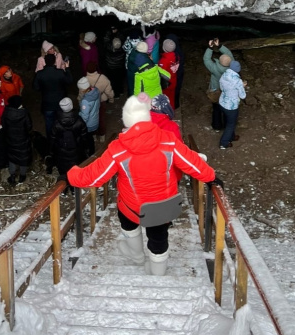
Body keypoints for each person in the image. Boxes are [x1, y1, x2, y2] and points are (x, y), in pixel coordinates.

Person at [65, 95, 217, 275]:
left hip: (132, 207)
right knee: (159, 237)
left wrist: (70, 175)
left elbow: (93, 176)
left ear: (127, 120)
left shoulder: (117, 148)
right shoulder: (168, 140)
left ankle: (137, 256)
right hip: (163, 206)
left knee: (128, 222)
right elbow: (193, 163)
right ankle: (158, 274)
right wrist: (211, 177)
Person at [33, 53, 73, 143]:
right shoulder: (60, 72)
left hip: (47, 103)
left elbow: (36, 88)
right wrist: (67, 68)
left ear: (45, 62)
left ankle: (51, 142)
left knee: (49, 124)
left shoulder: (40, 74)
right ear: (55, 61)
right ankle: (62, 140)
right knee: (61, 121)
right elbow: (70, 81)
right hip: (60, 103)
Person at [51, 97, 89, 180]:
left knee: (64, 169)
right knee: (76, 168)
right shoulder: (79, 121)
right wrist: (86, 148)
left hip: (62, 151)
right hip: (77, 150)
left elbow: (52, 138)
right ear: (71, 106)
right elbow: (85, 137)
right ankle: (74, 186)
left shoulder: (56, 123)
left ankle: (64, 185)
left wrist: (53, 151)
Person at [0, 95, 33, 186]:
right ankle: (22, 176)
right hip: (23, 139)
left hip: (10, 138)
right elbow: (29, 126)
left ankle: (12, 175)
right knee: (23, 156)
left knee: (12, 156)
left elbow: (3, 124)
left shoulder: (6, 112)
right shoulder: (24, 112)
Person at [204, 38, 234, 130]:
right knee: (226, 110)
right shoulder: (232, 66)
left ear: (219, 61)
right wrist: (220, 46)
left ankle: (217, 126)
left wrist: (210, 47)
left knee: (216, 109)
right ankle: (226, 126)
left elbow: (206, 59)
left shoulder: (214, 68)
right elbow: (229, 54)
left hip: (215, 91)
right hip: (227, 92)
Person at [219, 59, 247, 149]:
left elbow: (221, 87)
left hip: (222, 102)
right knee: (231, 124)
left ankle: (231, 136)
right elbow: (242, 96)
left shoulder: (224, 75)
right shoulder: (238, 81)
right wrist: (242, 86)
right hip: (231, 106)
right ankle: (223, 143)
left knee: (228, 121)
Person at [84, 61, 114, 136]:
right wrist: (111, 99)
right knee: (101, 118)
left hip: (89, 102)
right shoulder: (103, 78)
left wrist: (80, 101)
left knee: (91, 118)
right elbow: (109, 91)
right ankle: (102, 135)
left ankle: (93, 135)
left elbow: (81, 93)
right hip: (101, 101)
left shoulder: (84, 80)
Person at [77, 77, 101, 145]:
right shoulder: (96, 91)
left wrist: (79, 115)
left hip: (89, 124)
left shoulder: (86, 101)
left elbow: (85, 116)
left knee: (87, 138)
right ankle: (94, 137)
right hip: (95, 120)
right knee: (92, 134)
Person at [164, 33, 185, 106]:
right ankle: (175, 104)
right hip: (178, 74)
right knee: (176, 89)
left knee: (171, 90)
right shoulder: (179, 53)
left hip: (172, 76)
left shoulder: (169, 56)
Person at [159, 39, 179, 108]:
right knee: (171, 97)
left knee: (165, 99)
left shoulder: (164, 60)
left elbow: (160, 72)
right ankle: (172, 110)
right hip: (174, 80)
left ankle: (166, 113)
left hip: (166, 83)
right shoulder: (176, 56)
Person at [123, 27, 143, 93]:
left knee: (130, 81)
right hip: (138, 63)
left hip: (129, 64)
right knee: (138, 79)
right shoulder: (141, 41)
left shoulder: (128, 42)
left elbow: (124, 48)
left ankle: (130, 93)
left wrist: (127, 39)